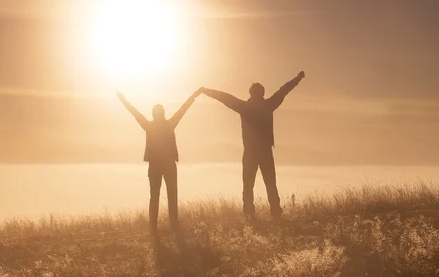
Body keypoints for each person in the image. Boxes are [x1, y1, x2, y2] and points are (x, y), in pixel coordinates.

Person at [199, 71, 305, 219]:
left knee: (248, 185)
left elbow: (225, 98)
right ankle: (275, 212)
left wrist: (206, 91)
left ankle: (249, 214)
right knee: (270, 183)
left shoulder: (244, 107)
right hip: (265, 152)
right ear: (262, 94)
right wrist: (298, 78)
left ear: (251, 94)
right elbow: (284, 90)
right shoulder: (268, 105)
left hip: (250, 153)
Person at [117, 89, 200, 234]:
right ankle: (172, 224)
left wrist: (124, 101)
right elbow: (183, 110)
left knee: (154, 196)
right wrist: (192, 96)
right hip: (167, 165)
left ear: (154, 114)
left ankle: (153, 226)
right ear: (162, 113)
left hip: (155, 166)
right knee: (171, 195)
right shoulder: (169, 124)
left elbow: (135, 113)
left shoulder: (150, 126)